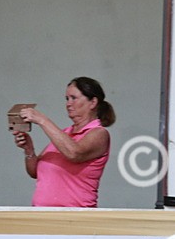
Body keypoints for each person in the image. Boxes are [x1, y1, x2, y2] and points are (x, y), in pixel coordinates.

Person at [11, 77, 114, 208]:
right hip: (42, 217)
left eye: (73, 98)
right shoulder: (63, 134)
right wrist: (29, 150)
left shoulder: (99, 134)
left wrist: (42, 120)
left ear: (93, 102)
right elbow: (35, 172)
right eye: (67, 99)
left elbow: (74, 153)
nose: (68, 104)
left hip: (75, 219)